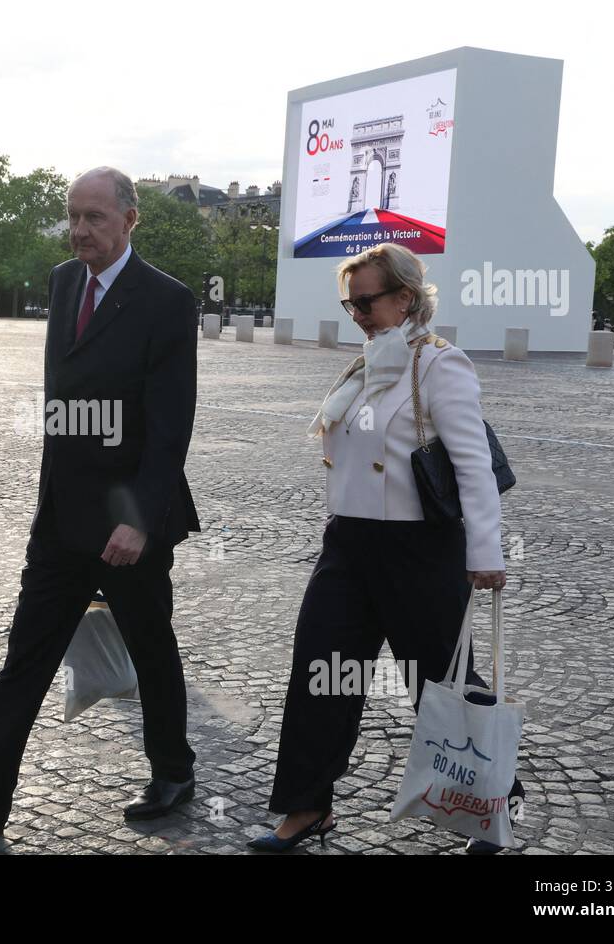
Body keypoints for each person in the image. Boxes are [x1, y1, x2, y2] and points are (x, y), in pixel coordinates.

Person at [0, 167, 201, 833]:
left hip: (127, 524)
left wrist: (136, 521)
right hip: (60, 520)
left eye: (95, 217)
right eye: (73, 216)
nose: (79, 230)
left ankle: (173, 771)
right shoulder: (63, 279)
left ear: (130, 219)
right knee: (25, 658)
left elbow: (170, 427)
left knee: (151, 650)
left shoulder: (167, 299)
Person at [251, 242, 521, 854]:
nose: (358, 313)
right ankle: (306, 807)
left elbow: (474, 466)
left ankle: (493, 799)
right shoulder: (367, 362)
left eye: (367, 300)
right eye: (351, 302)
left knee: (442, 681)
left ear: (405, 297)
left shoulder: (440, 365)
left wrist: (486, 553)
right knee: (323, 673)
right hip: (348, 546)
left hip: (419, 549)